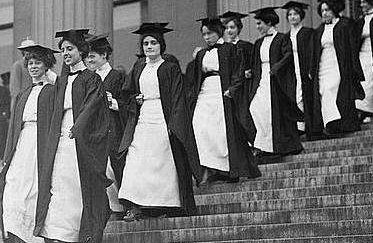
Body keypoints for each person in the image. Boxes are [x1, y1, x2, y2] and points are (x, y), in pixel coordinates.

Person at [34, 29, 110, 243]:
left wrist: (78, 127)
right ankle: (58, 238)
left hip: (80, 139)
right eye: (63, 50)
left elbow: (92, 105)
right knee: (58, 185)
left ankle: (75, 235)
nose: (65, 53)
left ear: (81, 51)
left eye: (70, 49)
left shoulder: (91, 78)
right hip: (60, 136)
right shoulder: (62, 80)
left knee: (74, 186)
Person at [119, 22, 201, 220]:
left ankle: (165, 204)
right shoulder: (139, 67)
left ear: (161, 45)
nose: (149, 46)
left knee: (161, 162)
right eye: (146, 43)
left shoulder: (170, 68)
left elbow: (177, 97)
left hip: (163, 118)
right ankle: (137, 205)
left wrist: (173, 124)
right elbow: (126, 92)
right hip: (144, 115)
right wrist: (134, 99)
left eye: (153, 43)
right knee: (137, 158)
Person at [0, 41, 58, 243]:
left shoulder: (52, 92)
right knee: (12, 187)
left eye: (37, 62)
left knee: (33, 190)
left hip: (40, 144)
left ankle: (36, 239)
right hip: (22, 142)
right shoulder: (24, 94)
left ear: (46, 65)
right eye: (30, 63)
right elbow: (14, 125)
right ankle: (10, 239)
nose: (33, 67)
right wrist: (8, 153)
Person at [185, 18, 260, 182]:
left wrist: (232, 90)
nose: (206, 37)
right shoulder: (201, 54)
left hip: (222, 92)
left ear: (218, 32)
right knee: (200, 127)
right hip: (205, 93)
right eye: (204, 34)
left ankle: (225, 169)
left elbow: (239, 72)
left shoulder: (230, 49)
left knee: (221, 131)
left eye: (209, 33)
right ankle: (209, 167)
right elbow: (195, 77)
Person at [247, 7, 303, 159]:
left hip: (276, 81)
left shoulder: (282, 38)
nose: (258, 27)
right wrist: (250, 71)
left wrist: (276, 67)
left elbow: (288, 55)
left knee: (273, 113)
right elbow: (255, 62)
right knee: (255, 109)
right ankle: (262, 144)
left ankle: (275, 146)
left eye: (259, 24)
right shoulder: (258, 42)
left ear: (269, 22)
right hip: (261, 81)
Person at [307, 0, 364, 138]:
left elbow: (352, 47)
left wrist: (353, 68)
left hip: (339, 64)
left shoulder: (345, 25)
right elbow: (314, 51)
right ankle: (330, 123)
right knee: (322, 91)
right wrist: (311, 69)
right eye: (323, 10)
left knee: (332, 89)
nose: (324, 13)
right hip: (323, 65)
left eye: (327, 10)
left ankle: (335, 123)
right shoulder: (319, 30)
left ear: (334, 10)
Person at [85, 34, 126, 217]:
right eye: (87, 56)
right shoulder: (89, 78)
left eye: (92, 56)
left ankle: (123, 205)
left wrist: (113, 102)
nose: (89, 59)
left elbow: (126, 102)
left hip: (113, 127)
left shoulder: (116, 76)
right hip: (95, 130)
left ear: (104, 55)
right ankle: (110, 207)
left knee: (114, 165)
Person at [281, 1, 315, 133]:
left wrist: (311, 69)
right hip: (292, 68)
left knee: (303, 95)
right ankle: (298, 127)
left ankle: (306, 126)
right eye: (290, 14)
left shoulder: (308, 32)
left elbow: (312, 52)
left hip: (304, 68)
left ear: (301, 15)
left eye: (295, 14)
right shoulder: (286, 36)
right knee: (294, 95)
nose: (292, 17)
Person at [220, 11, 253, 82]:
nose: (229, 30)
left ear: (239, 28)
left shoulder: (246, 46)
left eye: (232, 27)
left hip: (243, 83)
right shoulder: (222, 48)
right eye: (226, 28)